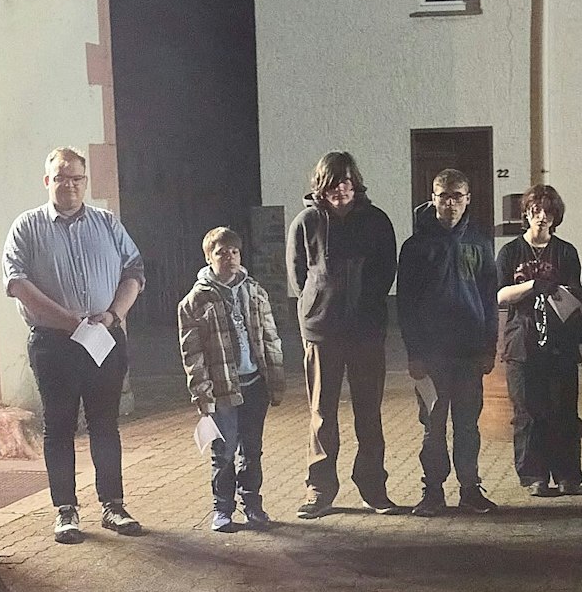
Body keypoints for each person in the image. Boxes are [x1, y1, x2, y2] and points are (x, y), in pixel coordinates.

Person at [3, 147, 148, 544]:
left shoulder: (106, 223)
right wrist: (71, 322)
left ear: (85, 182)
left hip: (104, 336)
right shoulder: (27, 227)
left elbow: (134, 271)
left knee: (106, 424)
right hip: (54, 342)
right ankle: (66, 512)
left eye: (76, 178)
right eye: (61, 177)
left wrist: (113, 315)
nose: (69, 185)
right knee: (59, 426)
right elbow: (17, 284)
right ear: (47, 181)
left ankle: (113, 505)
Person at [287, 152, 401, 519]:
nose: (341, 188)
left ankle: (373, 488)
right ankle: (319, 490)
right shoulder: (306, 222)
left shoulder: (377, 221)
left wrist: (365, 306)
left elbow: (387, 272)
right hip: (323, 332)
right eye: (334, 183)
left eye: (347, 181)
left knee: (369, 412)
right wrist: (319, 306)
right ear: (321, 186)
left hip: (366, 332)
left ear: (356, 184)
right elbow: (298, 276)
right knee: (322, 413)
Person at [396, 168, 499, 517]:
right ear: (433, 199)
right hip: (432, 355)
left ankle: (470, 490)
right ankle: (433, 492)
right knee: (433, 425)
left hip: (470, 352)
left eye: (457, 196)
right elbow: (405, 305)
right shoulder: (415, 247)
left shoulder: (480, 243)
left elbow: (489, 298)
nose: (450, 203)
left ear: (467, 199)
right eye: (443, 196)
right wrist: (414, 353)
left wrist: (490, 346)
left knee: (467, 426)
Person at [179, 227, 286, 532]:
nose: (229, 258)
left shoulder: (254, 291)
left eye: (234, 252)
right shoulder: (194, 301)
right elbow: (192, 352)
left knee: (252, 448)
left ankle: (252, 504)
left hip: (254, 384)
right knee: (223, 452)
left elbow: (270, 336)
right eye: (221, 253)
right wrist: (201, 392)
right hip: (222, 389)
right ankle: (222, 509)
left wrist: (274, 378)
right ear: (208, 258)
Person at [496, 185, 582, 496]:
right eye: (536, 211)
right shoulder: (510, 253)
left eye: (548, 212)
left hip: (560, 345)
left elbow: (577, 295)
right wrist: (533, 285)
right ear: (526, 213)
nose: (541, 217)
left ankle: (566, 474)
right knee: (527, 412)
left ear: (555, 217)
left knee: (563, 410)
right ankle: (534, 475)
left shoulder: (566, 252)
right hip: (521, 343)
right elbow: (500, 294)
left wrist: (558, 293)